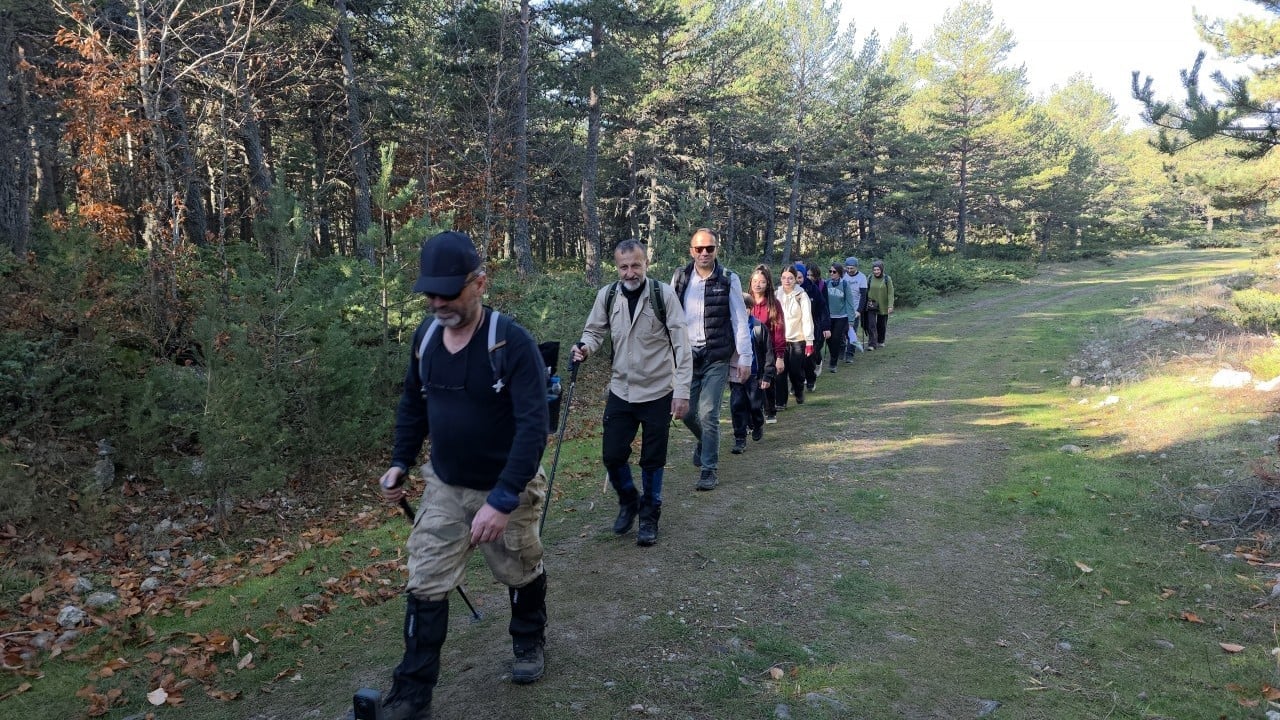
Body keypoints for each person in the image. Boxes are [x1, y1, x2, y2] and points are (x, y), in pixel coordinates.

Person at [376, 231, 551, 720]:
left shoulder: (510, 343)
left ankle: (528, 640)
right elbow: (414, 404)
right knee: (426, 581)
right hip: (446, 486)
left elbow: (534, 428)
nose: (437, 302)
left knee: (518, 568)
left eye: (448, 292)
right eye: (430, 293)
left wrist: (501, 499)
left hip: (507, 486)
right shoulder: (426, 338)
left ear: (479, 283)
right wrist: (399, 462)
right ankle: (411, 696)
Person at [572, 240, 692, 546]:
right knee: (612, 455)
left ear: (645, 263)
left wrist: (682, 391)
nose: (630, 273)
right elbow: (594, 331)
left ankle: (650, 515)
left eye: (635, 265)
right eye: (624, 267)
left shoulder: (662, 295)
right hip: (621, 389)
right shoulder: (608, 295)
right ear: (617, 267)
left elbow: (682, 346)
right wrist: (585, 347)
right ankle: (629, 499)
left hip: (658, 390)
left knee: (652, 460)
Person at [671, 228, 752, 491]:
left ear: (717, 249)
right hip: (686, 357)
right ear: (691, 250)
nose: (704, 253)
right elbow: (669, 319)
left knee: (708, 414)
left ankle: (709, 469)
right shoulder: (680, 278)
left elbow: (740, 320)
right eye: (699, 248)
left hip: (717, 356)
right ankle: (704, 442)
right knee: (685, 413)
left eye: (709, 248)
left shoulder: (729, 279)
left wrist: (745, 358)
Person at [728, 266, 779, 453]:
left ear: (750, 309)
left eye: (745, 309)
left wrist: (767, 375)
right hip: (735, 374)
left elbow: (768, 352)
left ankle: (758, 423)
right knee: (736, 405)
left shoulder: (758, 328)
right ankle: (739, 438)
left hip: (755, 374)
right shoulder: (729, 328)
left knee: (755, 405)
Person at [746, 265, 786, 425]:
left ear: (768, 283)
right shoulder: (744, 301)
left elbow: (779, 330)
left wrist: (780, 356)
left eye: (762, 282)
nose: (758, 284)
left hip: (768, 350)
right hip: (749, 350)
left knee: (768, 380)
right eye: (755, 281)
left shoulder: (773, 304)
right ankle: (752, 413)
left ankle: (770, 409)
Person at [774, 264, 813, 408]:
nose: (787, 281)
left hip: (798, 339)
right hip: (780, 340)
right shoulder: (776, 294)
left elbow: (807, 318)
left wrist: (809, 341)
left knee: (796, 371)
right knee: (780, 371)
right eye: (784, 278)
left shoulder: (801, 295)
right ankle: (780, 402)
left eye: (790, 278)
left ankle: (799, 391)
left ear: (795, 279)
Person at [801, 264, 831, 391]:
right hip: (796, 329)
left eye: (801, 276)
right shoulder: (787, 291)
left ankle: (810, 379)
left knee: (811, 354)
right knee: (798, 358)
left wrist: (826, 326)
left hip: (814, 326)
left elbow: (824, 307)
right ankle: (798, 381)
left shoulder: (815, 289)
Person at [824, 262, 854, 373]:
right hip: (828, 317)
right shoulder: (826, 283)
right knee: (829, 339)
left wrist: (851, 319)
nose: (831, 273)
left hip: (841, 316)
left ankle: (833, 363)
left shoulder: (845, 285)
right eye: (830, 271)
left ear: (840, 273)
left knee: (836, 338)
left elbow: (849, 302)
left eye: (834, 271)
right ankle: (835, 354)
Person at [844, 256, 870, 357]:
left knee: (852, 331)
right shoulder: (843, 276)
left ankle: (850, 354)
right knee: (842, 331)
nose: (849, 270)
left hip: (855, 309)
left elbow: (864, 296)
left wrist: (859, 310)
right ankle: (842, 349)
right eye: (848, 268)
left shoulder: (862, 277)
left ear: (856, 267)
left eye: (852, 268)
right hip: (843, 308)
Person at [867, 259, 896, 348]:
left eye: (878, 270)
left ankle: (880, 340)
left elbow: (891, 293)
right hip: (871, 305)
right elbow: (865, 290)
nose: (876, 272)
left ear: (882, 269)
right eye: (874, 270)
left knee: (881, 325)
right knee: (871, 325)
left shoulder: (887, 278)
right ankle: (872, 344)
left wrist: (890, 305)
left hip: (883, 305)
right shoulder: (870, 277)